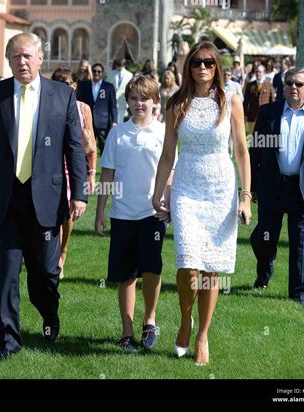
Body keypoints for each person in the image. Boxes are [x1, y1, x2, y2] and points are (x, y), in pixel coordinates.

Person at [0, 33, 88, 362]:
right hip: (4, 200)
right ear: (8, 60)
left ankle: (49, 316)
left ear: (41, 58)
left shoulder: (62, 96)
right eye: (15, 57)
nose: (22, 62)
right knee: (6, 273)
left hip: (47, 199)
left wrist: (81, 194)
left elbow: (75, 148)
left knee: (44, 275)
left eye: (27, 56)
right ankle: (8, 339)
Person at [153, 41, 251, 365]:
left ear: (218, 67)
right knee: (187, 263)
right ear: (188, 67)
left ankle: (203, 334)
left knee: (212, 268)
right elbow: (168, 153)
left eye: (209, 63)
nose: (203, 68)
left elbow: (241, 152)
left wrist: (246, 197)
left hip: (221, 189)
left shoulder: (230, 101)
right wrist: (158, 191)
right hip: (186, 189)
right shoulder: (176, 103)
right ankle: (185, 318)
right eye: (197, 62)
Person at [95, 75, 174, 352]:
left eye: (144, 98)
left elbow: (171, 171)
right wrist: (100, 211)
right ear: (127, 101)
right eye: (134, 98)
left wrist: (168, 200)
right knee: (126, 275)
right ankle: (127, 332)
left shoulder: (165, 132)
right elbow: (107, 173)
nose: (139, 103)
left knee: (152, 269)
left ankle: (149, 320)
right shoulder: (117, 133)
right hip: (122, 214)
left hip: (152, 214)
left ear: (156, 102)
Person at [250, 67, 304, 303]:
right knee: (264, 239)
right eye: (289, 83)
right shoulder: (269, 113)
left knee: (301, 245)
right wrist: (252, 186)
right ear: (283, 86)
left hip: (303, 189)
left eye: (298, 84)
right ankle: (264, 273)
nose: (293, 88)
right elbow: (255, 151)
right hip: (272, 187)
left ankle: (297, 294)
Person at [51, 67, 97, 279]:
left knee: (68, 214)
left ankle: (63, 251)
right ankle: (51, 255)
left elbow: (91, 145)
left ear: (75, 86)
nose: (63, 87)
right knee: (53, 212)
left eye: (67, 83)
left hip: (73, 167)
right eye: (58, 83)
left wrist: (91, 173)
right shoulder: (47, 106)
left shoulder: (83, 108)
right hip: (51, 165)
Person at [77, 63, 117, 154]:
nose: (96, 73)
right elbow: (79, 101)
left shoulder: (108, 87)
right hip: (87, 121)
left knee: (104, 147)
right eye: (94, 71)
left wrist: (114, 121)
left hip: (103, 122)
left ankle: (106, 166)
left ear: (102, 73)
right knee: (87, 146)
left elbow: (113, 105)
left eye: (99, 71)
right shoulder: (84, 85)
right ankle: (89, 167)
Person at [243, 65, 275, 134]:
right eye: (257, 72)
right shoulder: (250, 85)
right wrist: (245, 115)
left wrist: (272, 115)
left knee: (264, 138)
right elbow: (246, 101)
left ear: (263, 73)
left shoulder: (269, 85)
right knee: (253, 137)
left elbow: (272, 101)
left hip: (265, 116)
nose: (258, 74)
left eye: (260, 72)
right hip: (252, 116)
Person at [105, 58, 133, 124]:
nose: (119, 68)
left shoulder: (129, 75)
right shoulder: (111, 74)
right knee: (112, 120)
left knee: (121, 120)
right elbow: (106, 86)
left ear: (124, 65)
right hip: (111, 100)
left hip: (122, 101)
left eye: (121, 66)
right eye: (118, 66)